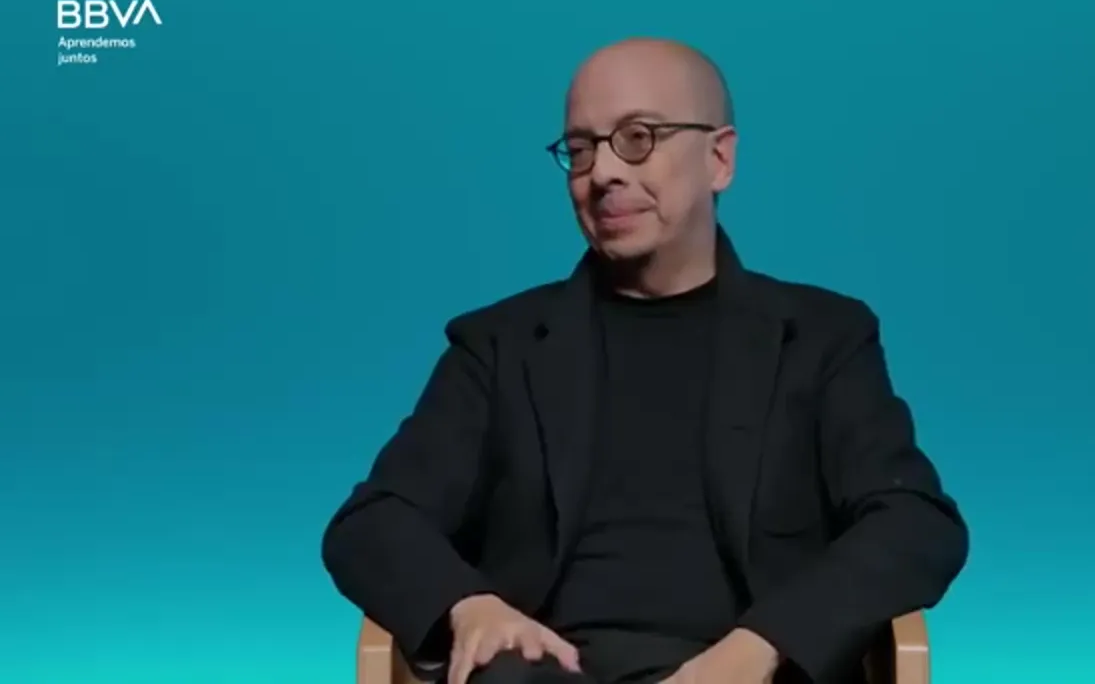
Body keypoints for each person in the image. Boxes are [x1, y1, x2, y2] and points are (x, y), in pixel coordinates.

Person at [321, 37, 968, 684]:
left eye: (637, 138)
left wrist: (761, 645)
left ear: (719, 159)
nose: (602, 172)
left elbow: (915, 522)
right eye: (581, 148)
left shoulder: (822, 337)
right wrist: (472, 608)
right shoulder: (498, 346)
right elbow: (373, 522)